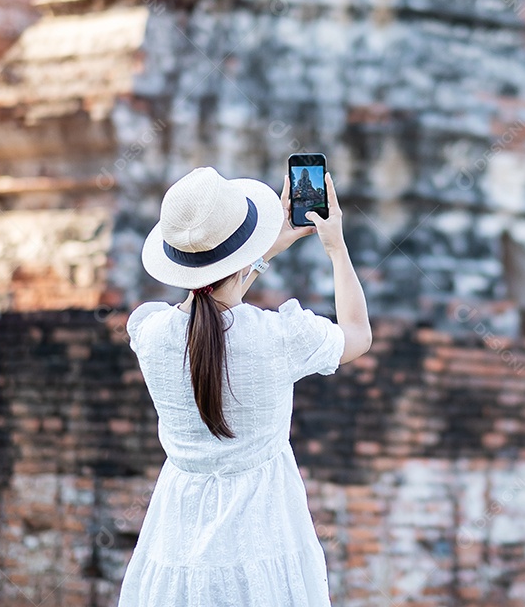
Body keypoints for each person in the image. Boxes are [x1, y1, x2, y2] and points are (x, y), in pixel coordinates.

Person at [117, 166, 371, 606]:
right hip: (264, 532)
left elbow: (212, 299)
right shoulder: (280, 337)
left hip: (176, 532)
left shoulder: (150, 334)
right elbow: (358, 334)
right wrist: (336, 247)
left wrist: (268, 247)